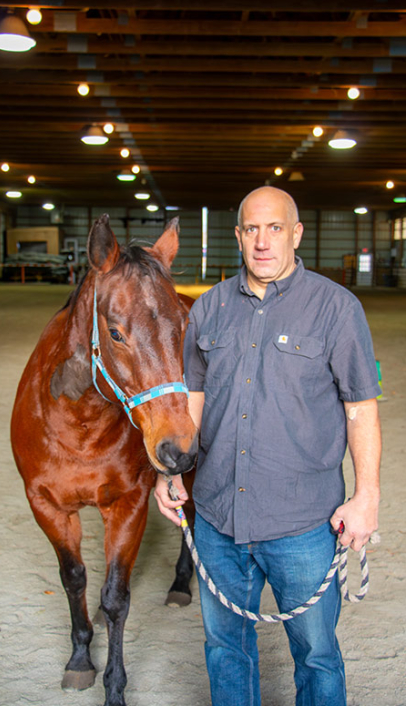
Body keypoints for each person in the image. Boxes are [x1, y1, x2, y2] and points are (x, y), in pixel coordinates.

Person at [155, 186, 381, 706]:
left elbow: (360, 408)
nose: (262, 241)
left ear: (295, 234)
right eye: (251, 229)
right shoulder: (207, 310)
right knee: (225, 648)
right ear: (237, 237)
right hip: (216, 520)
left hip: (302, 525)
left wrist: (366, 497)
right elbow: (192, 400)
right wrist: (168, 473)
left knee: (317, 653)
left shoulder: (336, 309)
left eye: (275, 228)